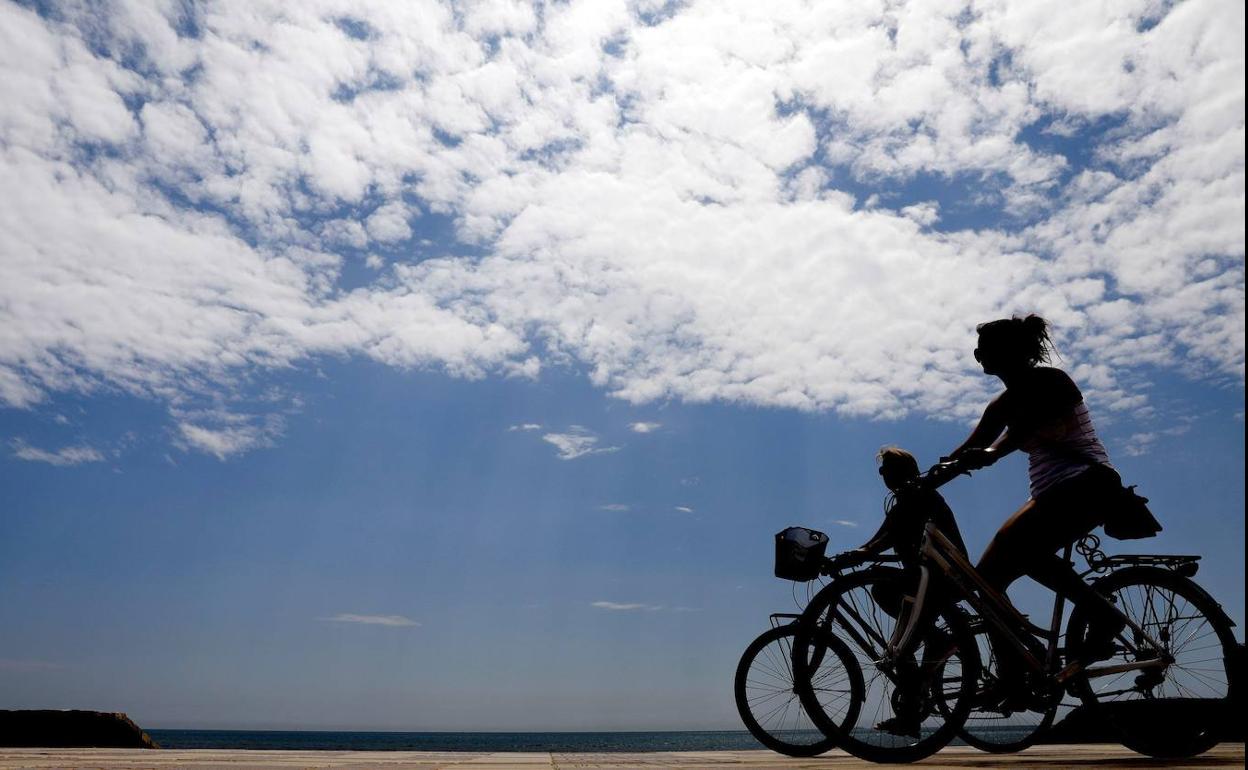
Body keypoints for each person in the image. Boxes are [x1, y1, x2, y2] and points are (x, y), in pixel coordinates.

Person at [945, 314, 1126, 711]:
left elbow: (1026, 428)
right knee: (990, 579)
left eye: (984, 349)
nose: (977, 356)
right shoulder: (1002, 404)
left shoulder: (1052, 382)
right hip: (1052, 493)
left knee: (1000, 564)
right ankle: (1020, 673)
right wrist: (925, 480)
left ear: (1010, 352)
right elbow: (969, 447)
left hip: (1087, 483)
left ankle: (1102, 617)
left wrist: (992, 454)